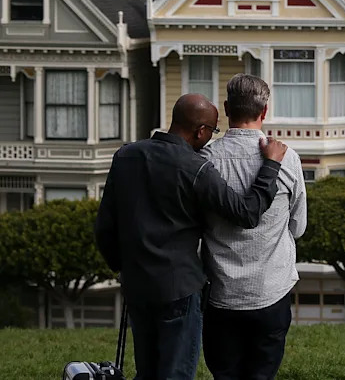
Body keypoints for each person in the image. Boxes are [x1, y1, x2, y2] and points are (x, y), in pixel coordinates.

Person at [95, 93, 287, 380]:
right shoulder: (194, 168)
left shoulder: (126, 155)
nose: (211, 138)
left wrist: (123, 268)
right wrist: (271, 164)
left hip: (137, 286)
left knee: (147, 371)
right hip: (179, 288)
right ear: (201, 131)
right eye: (212, 131)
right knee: (176, 373)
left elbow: (104, 227)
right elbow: (247, 213)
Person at [201, 74, 307, 380]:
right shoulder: (288, 160)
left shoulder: (205, 160)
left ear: (226, 108)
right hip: (270, 293)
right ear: (264, 112)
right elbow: (298, 226)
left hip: (222, 294)